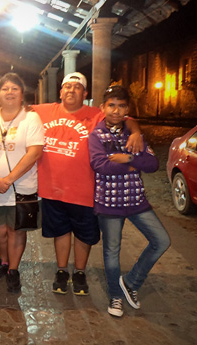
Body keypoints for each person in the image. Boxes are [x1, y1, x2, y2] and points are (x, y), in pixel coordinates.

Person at [33, 72, 143, 296]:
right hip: (52, 189)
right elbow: (16, 109)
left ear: (85, 93)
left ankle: (80, 272)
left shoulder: (95, 114)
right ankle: (62, 270)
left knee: (83, 234)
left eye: (77, 87)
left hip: (85, 190)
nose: (71, 90)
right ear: (60, 91)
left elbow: (123, 117)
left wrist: (137, 131)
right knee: (60, 232)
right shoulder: (44, 111)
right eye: (67, 86)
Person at [88, 85, 170, 317]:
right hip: (109, 204)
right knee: (112, 250)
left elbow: (153, 164)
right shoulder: (96, 136)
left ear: (128, 109)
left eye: (121, 105)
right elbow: (100, 165)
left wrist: (129, 157)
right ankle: (115, 295)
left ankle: (131, 282)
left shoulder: (134, 135)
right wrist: (133, 164)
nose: (116, 110)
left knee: (162, 240)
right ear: (103, 107)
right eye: (111, 105)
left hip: (137, 201)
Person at [0, 73, 44, 293]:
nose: (10, 92)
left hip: (21, 188)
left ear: (22, 93)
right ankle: (3, 261)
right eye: (5, 88)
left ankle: (13, 269)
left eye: (15, 88)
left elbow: (35, 152)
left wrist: (9, 179)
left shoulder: (31, 118)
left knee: (16, 231)